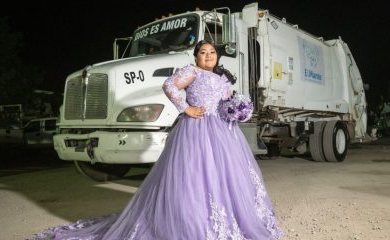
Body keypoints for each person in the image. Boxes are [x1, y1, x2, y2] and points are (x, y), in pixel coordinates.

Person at [31, 40, 283, 239]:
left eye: (212, 52)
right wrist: (186, 108)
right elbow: (169, 86)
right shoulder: (191, 71)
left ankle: (230, 219)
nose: (208, 55)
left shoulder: (223, 78)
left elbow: (228, 100)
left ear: (217, 57)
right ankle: (192, 223)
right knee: (194, 177)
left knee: (225, 177)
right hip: (195, 129)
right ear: (196, 56)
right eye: (203, 52)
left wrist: (238, 110)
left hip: (223, 132)